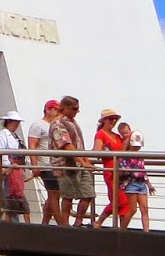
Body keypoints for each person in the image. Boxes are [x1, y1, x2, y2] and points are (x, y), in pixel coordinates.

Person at [50, 95, 95, 227]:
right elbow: (66, 145)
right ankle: (65, 224)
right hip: (65, 165)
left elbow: (78, 143)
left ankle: (78, 222)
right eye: (75, 108)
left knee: (88, 193)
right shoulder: (57, 123)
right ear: (65, 108)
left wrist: (85, 160)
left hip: (79, 164)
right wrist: (84, 161)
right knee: (68, 196)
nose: (77, 111)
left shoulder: (72, 122)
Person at [26, 98, 63, 225]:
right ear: (48, 109)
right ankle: (61, 223)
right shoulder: (38, 125)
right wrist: (35, 165)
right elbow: (32, 145)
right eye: (57, 110)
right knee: (53, 193)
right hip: (45, 165)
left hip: (55, 164)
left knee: (54, 194)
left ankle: (45, 223)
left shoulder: (56, 125)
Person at [93, 109, 128, 228]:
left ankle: (122, 228)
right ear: (104, 120)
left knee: (125, 201)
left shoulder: (117, 136)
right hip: (110, 171)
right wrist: (106, 151)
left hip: (121, 171)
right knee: (118, 200)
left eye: (115, 119)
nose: (113, 121)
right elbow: (97, 152)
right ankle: (99, 221)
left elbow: (125, 151)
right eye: (110, 118)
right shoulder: (101, 134)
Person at [0, 110, 29, 221]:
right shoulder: (2, 135)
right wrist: (6, 167)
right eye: (15, 121)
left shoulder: (15, 136)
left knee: (9, 199)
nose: (17, 124)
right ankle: (12, 223)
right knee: (10, 198)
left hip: (15, 169)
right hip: (8, 170)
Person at [118, 125, 151, 232]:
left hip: (141, 184)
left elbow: (143, 170)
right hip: (131, 183)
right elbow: (123, 170)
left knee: (144, 208)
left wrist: (148, 184)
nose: (137, 147)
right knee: (132, 209)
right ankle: (122, 230)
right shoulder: (125, 156)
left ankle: (147, 232)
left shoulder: (139, 156)